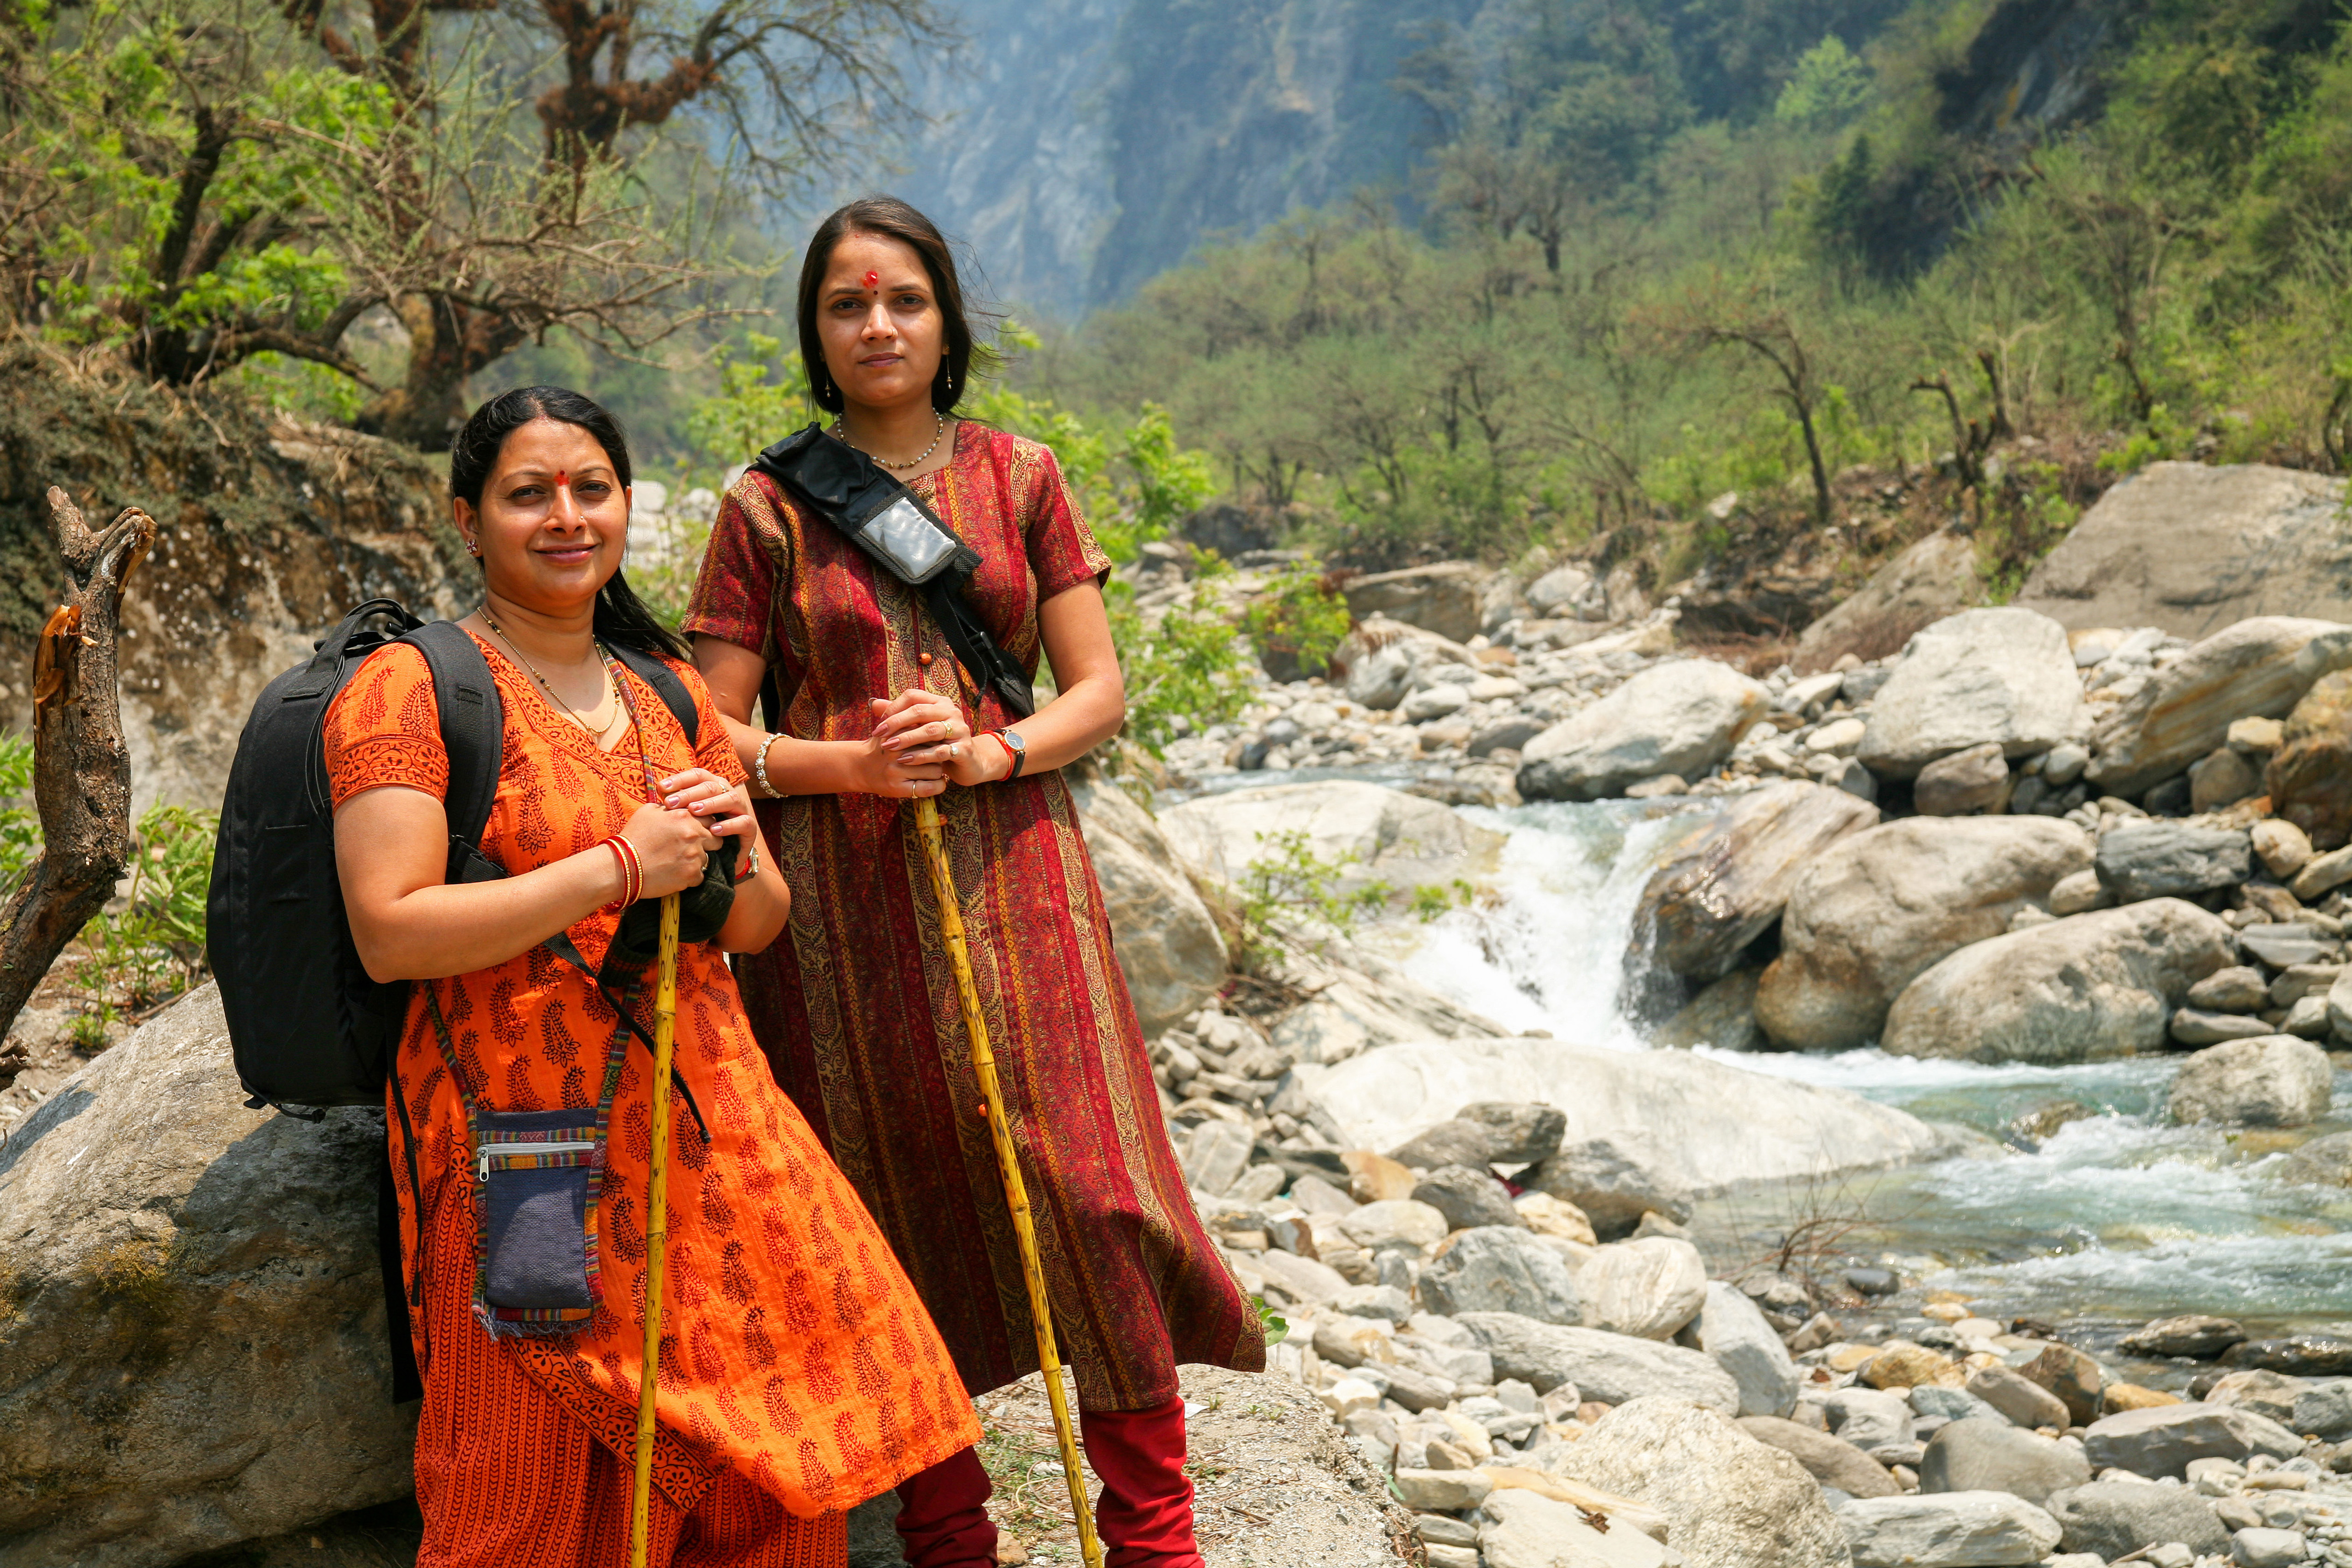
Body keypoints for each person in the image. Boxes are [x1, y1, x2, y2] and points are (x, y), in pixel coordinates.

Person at [684, 196, 1265, 1568]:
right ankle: (949, 1537)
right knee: (890, 1197)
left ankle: (1153, 1540)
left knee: (1095, 1184)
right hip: (837, 910)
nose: (877, 324)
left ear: (945, 321)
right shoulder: (766, 507)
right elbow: (707, 727)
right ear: (816, 336)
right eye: (846, 304)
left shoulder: (1023, 475)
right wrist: (848, 766)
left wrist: (990, 752)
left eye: (903, 299)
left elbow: (1097, 688)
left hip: (1022, 875)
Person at [328, 385, 981, 1568]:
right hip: (526, 1156)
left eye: (591, 489)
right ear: (469, 517)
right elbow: (393, 929)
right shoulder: (412, 689)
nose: (566, 516)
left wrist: (730, 826)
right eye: (529, 494)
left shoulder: (666, 688)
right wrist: (619, 865)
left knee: (773, 1480)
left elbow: (762, 922)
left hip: (721, 1141)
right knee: (527, 1498)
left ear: (626, 504)